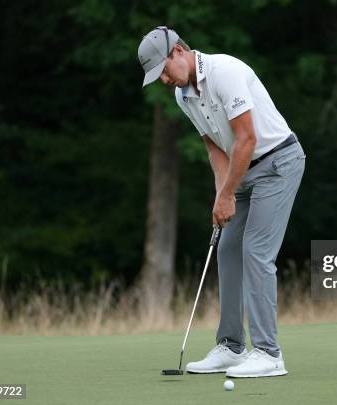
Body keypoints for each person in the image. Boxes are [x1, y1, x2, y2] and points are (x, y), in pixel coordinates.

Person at [138, 26, 305, 378]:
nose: (165, 80)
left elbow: (246, 139)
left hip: (278, 162)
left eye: (165, 70)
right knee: (228, 249)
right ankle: (231, 347)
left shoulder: (224, 72)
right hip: (241, 170)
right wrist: (221, 196)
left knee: (257, 252)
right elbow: (216, 147)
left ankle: (268, 354)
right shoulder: (183, 97)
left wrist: (228, 194)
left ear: (179, 51)